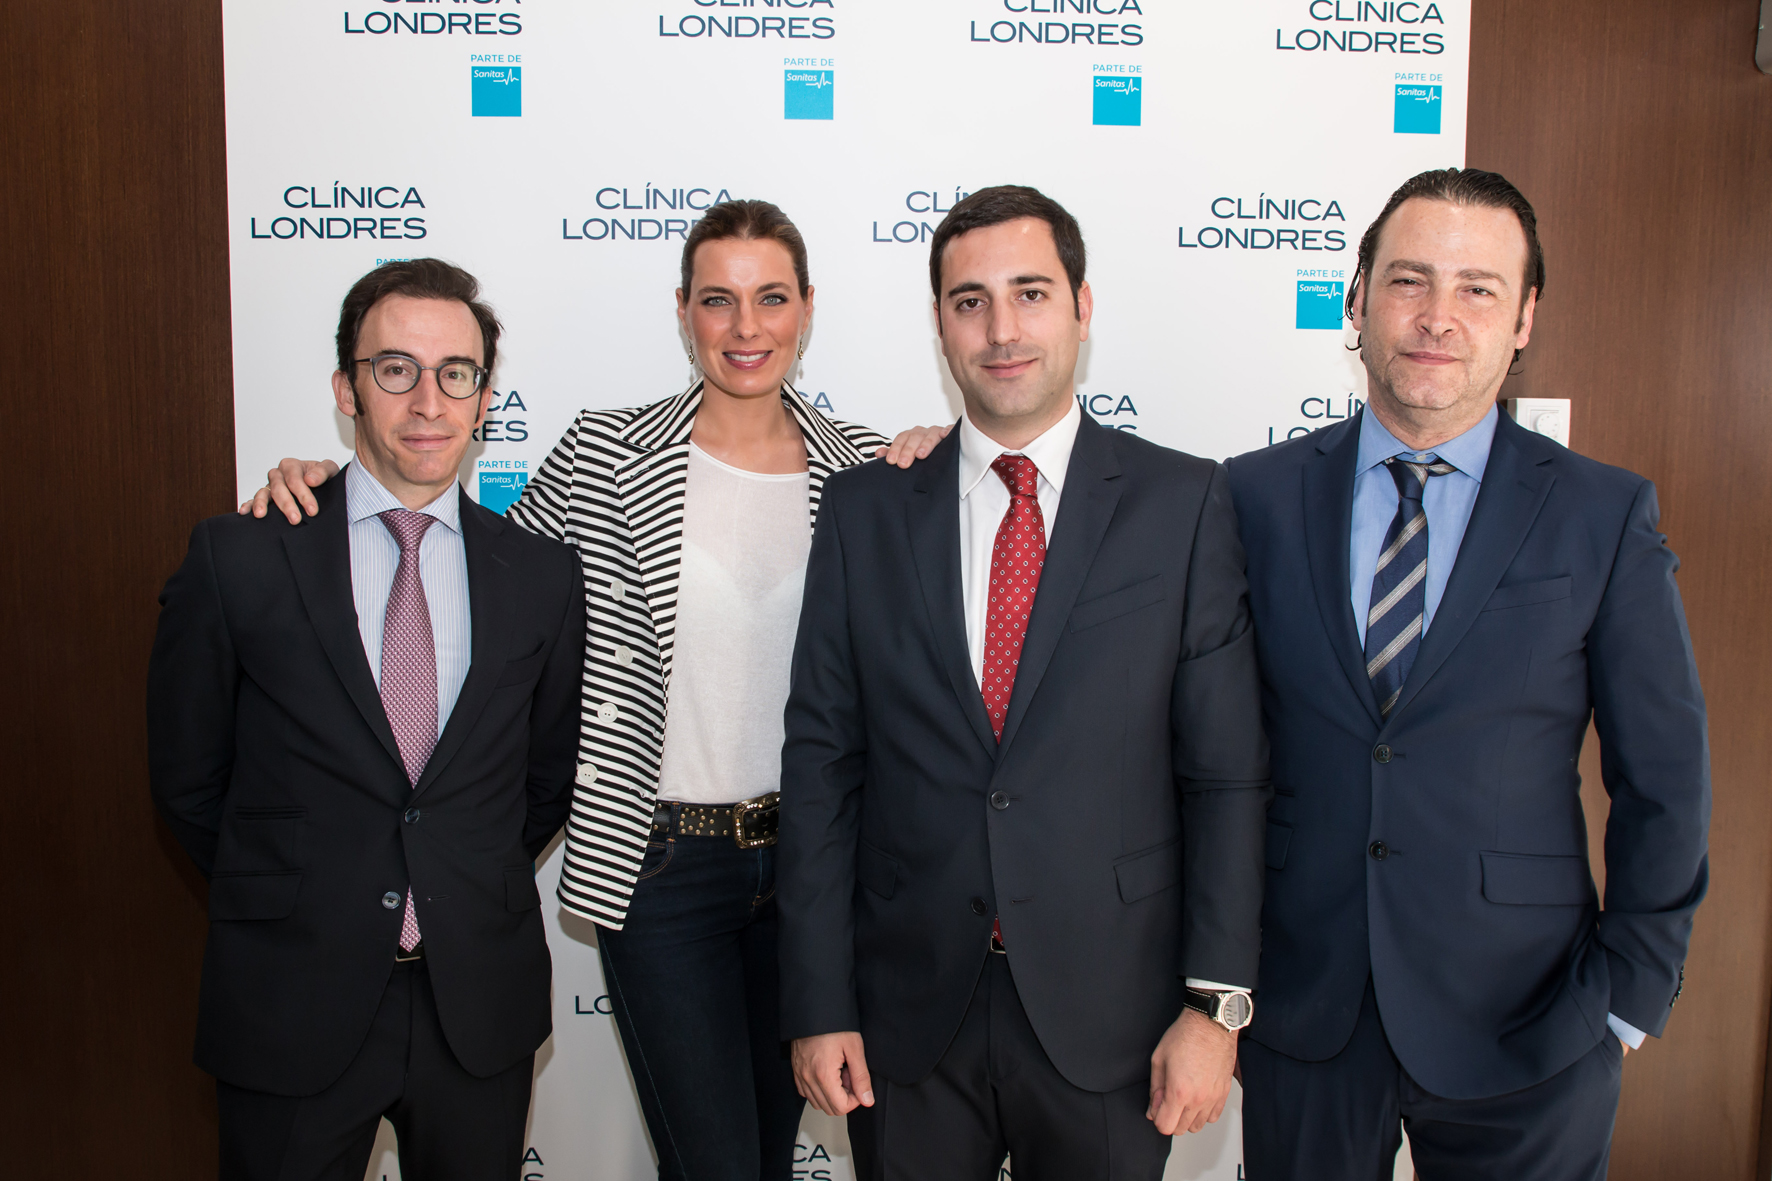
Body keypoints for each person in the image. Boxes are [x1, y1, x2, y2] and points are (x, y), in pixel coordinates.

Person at [241, 201, 945, 1181]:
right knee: (713, 1163)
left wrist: (938, 464)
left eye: (770, 298)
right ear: (682, 311)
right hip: (661, 872)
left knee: (771, 1159)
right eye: (717, 300)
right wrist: (337, 486)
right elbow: (473, 576)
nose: (745, 327)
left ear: (807, 309)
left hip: (820, 873)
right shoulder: (601, 454)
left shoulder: (866, 469)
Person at [777, 185, 1271, 1180]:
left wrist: (1214, 1005)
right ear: (938, 325)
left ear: (1082, 308)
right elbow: (823, 767)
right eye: (969, 301)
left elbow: (1225, 775)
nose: (1001, 330)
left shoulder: (1182, 502)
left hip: (1114, 1015)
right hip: (905, 1015)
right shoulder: (866, 509)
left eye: (1030, 293)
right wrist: (818, 1001)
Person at [1224, 168, 1710, 1180]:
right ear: (1354, 300)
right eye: (1407, 280)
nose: (1436, 317)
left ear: (1523, 317)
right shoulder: (1248, 497)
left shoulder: (1600, 513)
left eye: (1477, 289)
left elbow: (1662, 774)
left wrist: (1628, 993)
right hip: (1304, 1011)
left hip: (1530, 1019)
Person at [147, 258, 586, 1180]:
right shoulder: (243, 557)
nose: (427, 399)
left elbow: (543, 782)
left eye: (454, 373)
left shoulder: (542, 574)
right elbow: (189, 780)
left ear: (483, 398)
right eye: (395, 369)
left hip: (478, 1003)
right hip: (289, 995)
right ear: (347, 388)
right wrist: (299, 892)